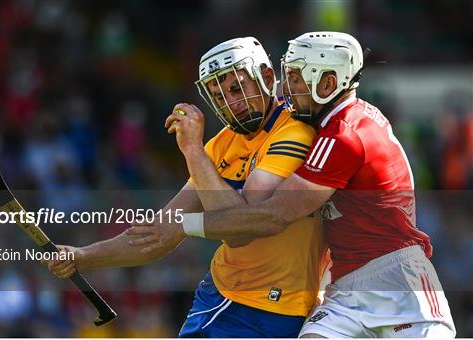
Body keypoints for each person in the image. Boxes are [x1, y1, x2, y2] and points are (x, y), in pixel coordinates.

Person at [128, 32, 456, 338]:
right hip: (343, 287)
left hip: (396, 283)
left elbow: (271, 217)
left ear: (328, 83)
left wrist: (183, 226)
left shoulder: (343, 136)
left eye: (298, 78)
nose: (287, 87)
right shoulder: (335, 124)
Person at [46, 37, 327, 337]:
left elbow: (242, 230)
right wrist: (83, 256)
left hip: (278, 310)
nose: (231, 104)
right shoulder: (220, 145)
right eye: (219, 97)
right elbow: (159, 234)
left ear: (267, 77)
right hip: (226, 298)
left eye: (236, 88)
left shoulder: (294, 132)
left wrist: (193, 150)